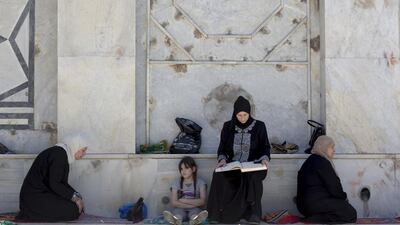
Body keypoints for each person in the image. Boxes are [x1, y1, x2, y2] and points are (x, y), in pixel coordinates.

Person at [207, 96, 271, 224]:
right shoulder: (228, 127)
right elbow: (222, 148)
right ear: (235, 113)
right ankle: (217, 215)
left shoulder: (259, 126)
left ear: (249, 113)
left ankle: (253, 215)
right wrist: (222, 160)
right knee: (218, 175)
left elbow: (265, 147)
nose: (242, 118)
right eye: (239, 115)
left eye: (245, 115)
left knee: (251, 177)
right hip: (233, 166)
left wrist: (265, 159)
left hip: (254, 165)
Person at [16, 135, 88, 222]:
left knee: (75, 206)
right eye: (83, 150)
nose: (84, 154)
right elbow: (55, 184)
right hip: (34, 198)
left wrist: (77, 196)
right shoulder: (59, 155)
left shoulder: (63, 154)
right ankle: (30, 213)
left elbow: (62, 183)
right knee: (72, 210)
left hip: (42, 194)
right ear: (75, 146)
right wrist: (75, 198)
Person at [296, 135, 357, 223]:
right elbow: (335, 188)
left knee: (341, 208)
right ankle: (313, 220)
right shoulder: (322, 162)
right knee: (351, 213)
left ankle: (314, 218)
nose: (334, 151)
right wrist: (344, 198)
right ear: (324, 147)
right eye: (331, 147)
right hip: (314, 205)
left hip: (303, 207)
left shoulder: (310, 160)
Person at [163, 156, 208, 225]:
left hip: (194, 208)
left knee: (195, 215)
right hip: (180, 208)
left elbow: (202, 202)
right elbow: (174, 203)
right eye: (181, 169)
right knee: (178, 214)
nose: (183, 171)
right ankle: (176, 220)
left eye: (186, 168)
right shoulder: (176, 183)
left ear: (193, 169)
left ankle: (195, 221)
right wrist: (191, 204)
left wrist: (184, 201)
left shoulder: (201, 183)